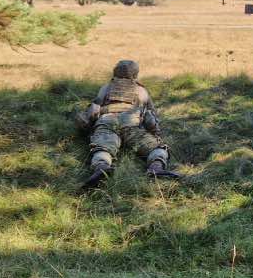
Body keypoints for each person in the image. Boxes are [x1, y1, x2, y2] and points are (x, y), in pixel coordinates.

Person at [76, 59, 177, 190]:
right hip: (131, 125)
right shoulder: (141, 91)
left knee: (102, 148)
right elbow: (150, 118)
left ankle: (102, 168)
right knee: (157, 149)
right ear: (135, 75)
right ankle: (156, 168)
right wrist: (154, 131)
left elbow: (94, 109)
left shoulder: (106, 87)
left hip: (107, 121)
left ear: (115, 72)